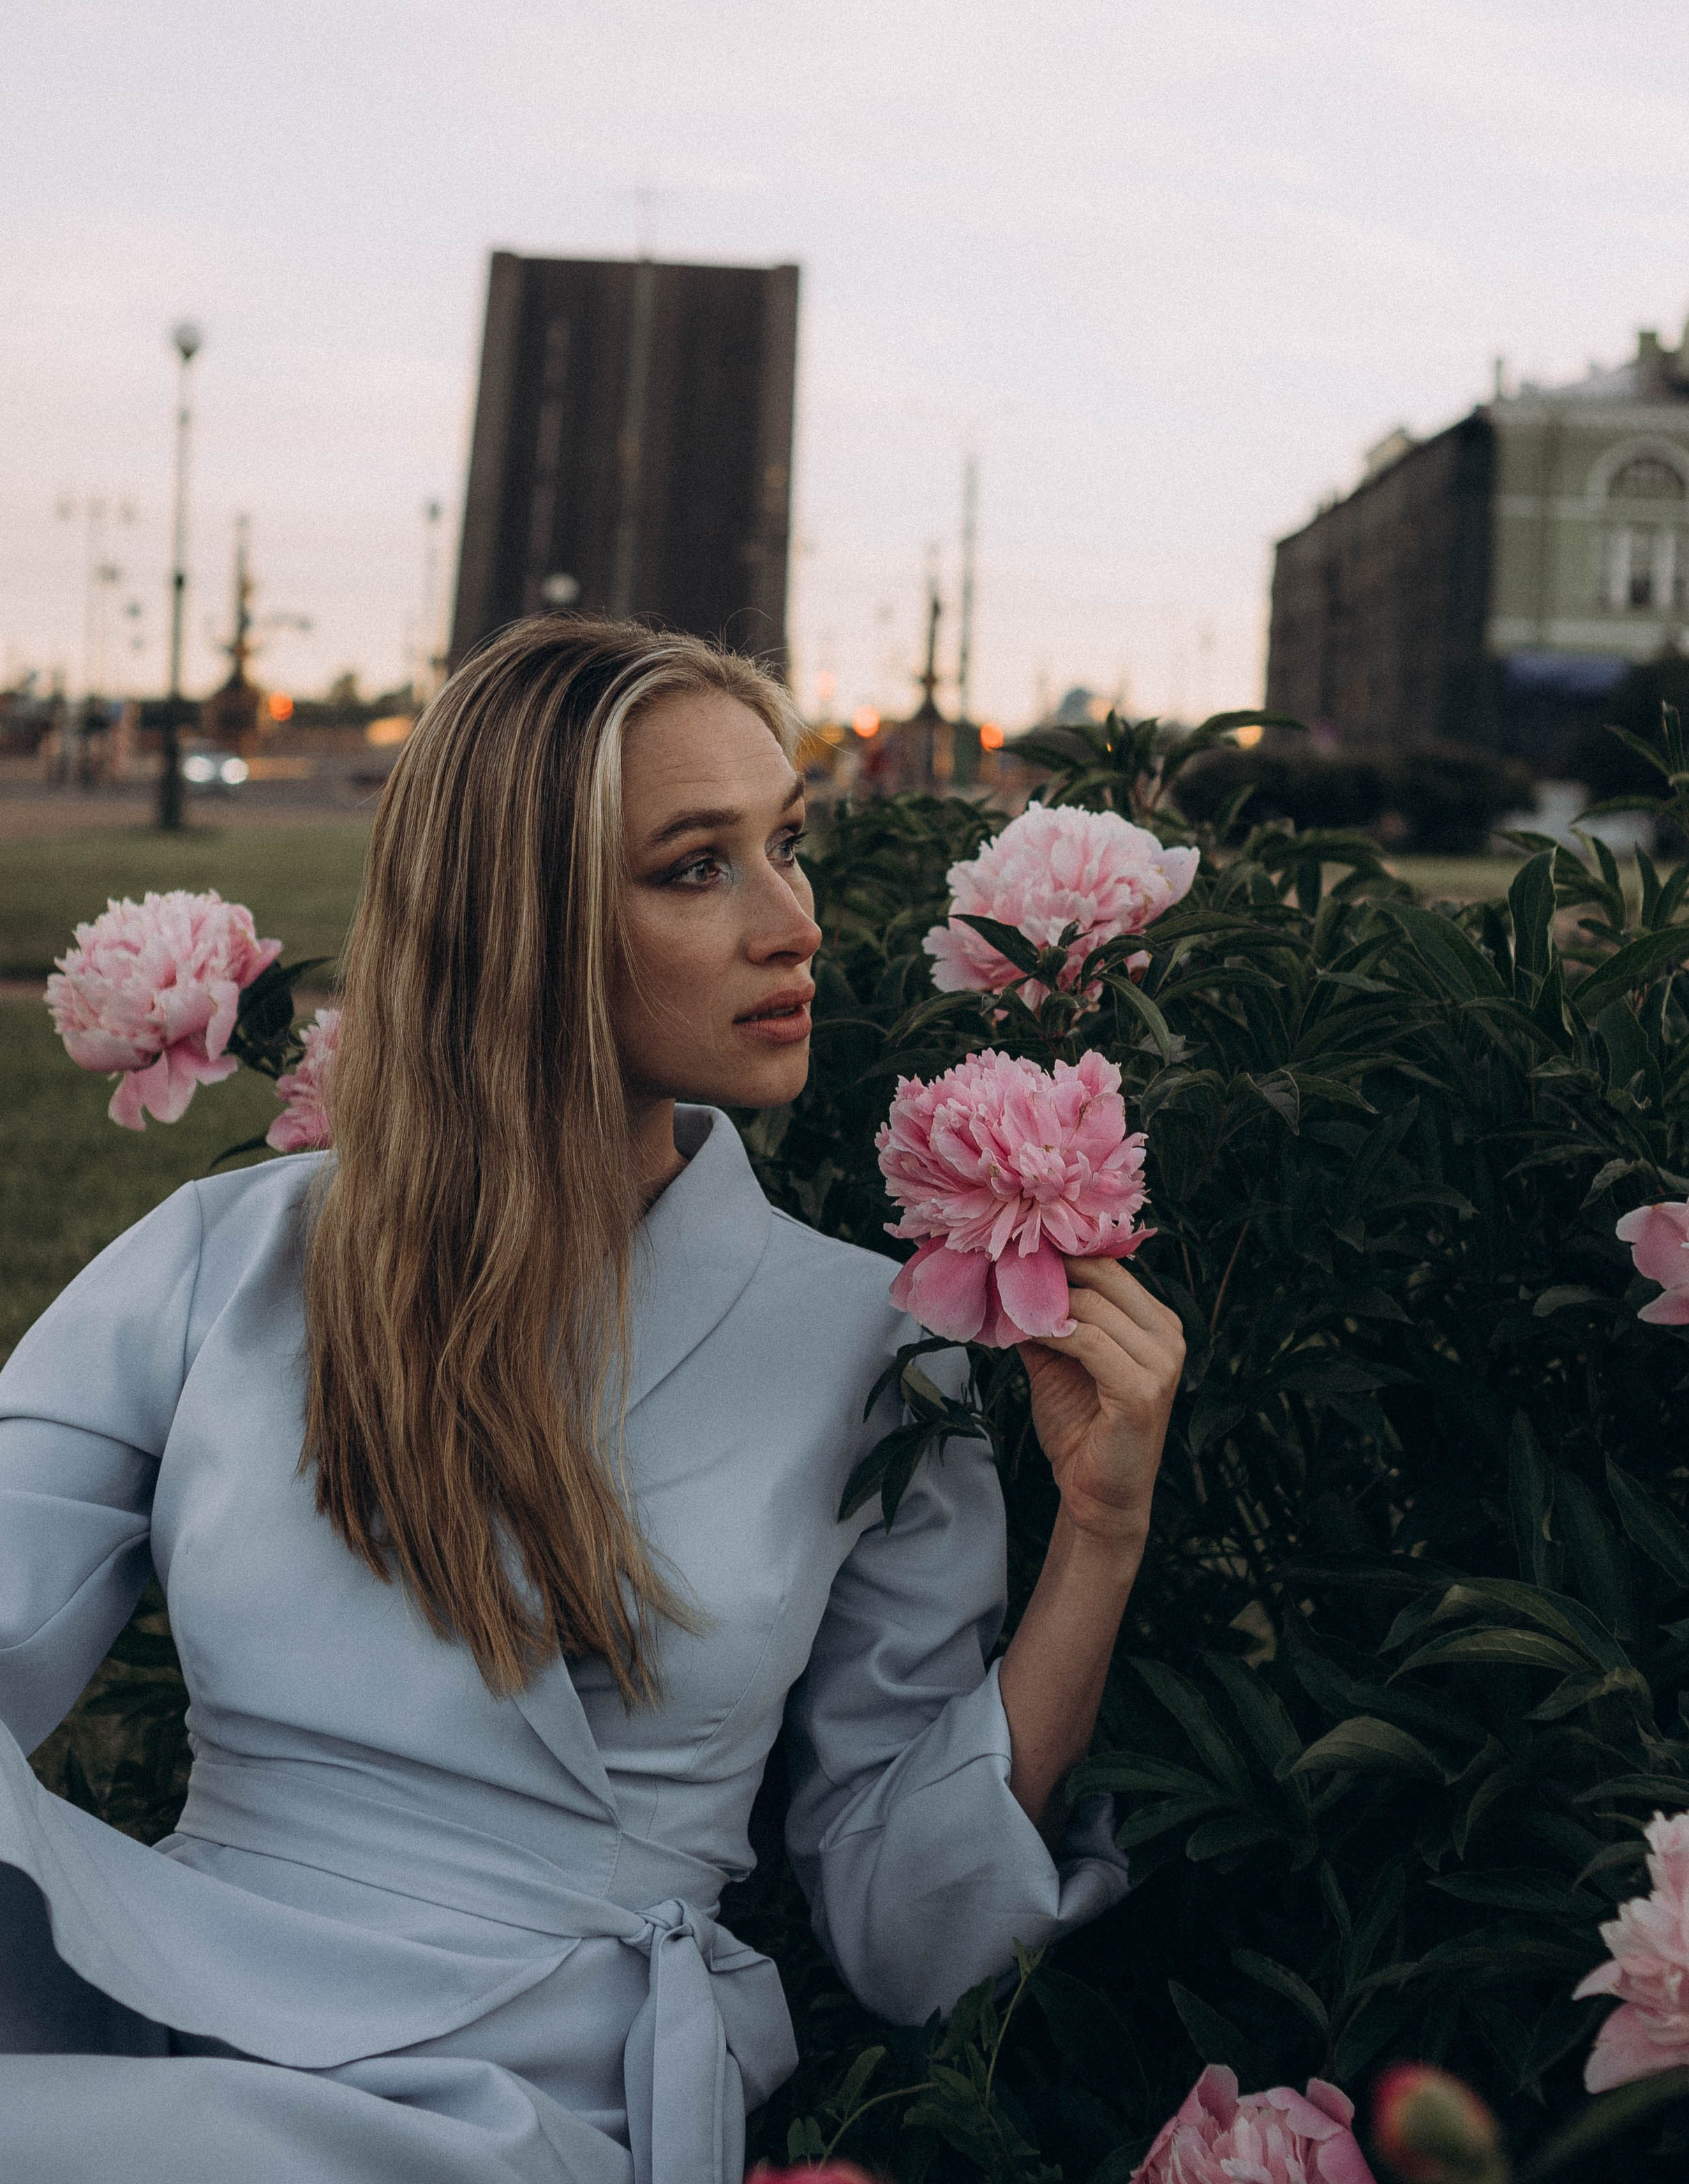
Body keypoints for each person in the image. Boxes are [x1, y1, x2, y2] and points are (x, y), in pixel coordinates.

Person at [0, 616, 1184, 2184]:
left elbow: (915, 1939)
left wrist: (1100, 1532)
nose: (794, 924)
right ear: (520, 922)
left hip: (536, 2093)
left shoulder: (873, 1344)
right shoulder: (227, 1260)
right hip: (169, 2002)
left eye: (787, 846)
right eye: (697, 868)